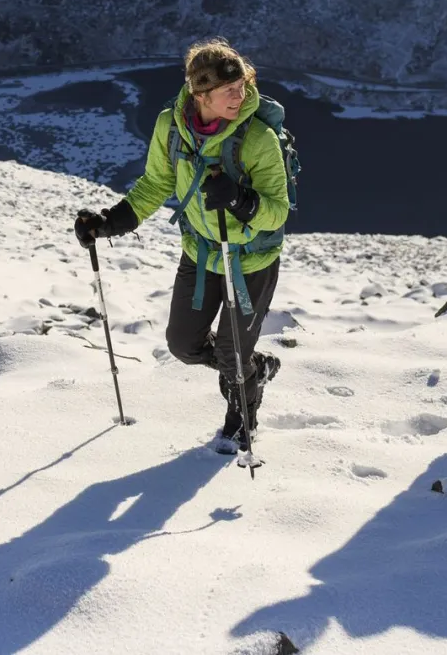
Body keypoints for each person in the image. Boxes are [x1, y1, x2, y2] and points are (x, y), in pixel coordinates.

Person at [74, 39, 290, 450]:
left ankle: (242, 415)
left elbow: (277, 211)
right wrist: (110, 222)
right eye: (229, 90)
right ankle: (252, 367)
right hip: (201, 253)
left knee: (230, 355)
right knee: (183, 345)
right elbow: (157, 183)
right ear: (200, 94)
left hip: (251, 260)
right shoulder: (170, 128)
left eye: (243, 86)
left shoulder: (258, 138)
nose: (239, 96)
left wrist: (241, 200)